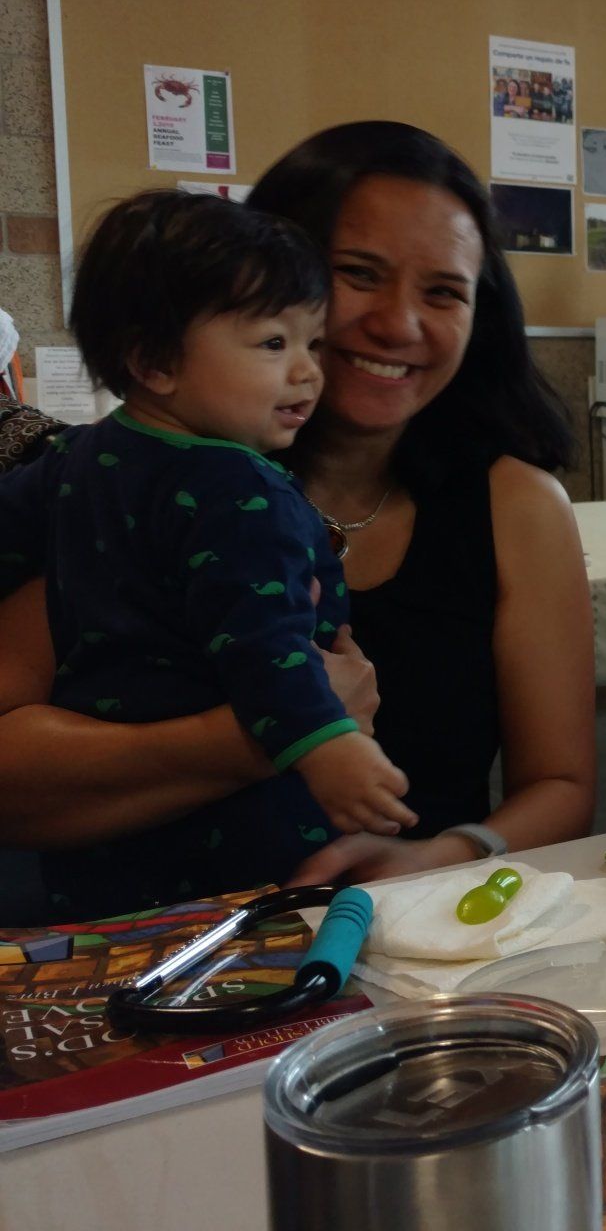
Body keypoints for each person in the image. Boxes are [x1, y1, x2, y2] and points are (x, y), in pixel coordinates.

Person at [0, 122, 596, 909]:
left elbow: (560, 784)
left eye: (444, 291)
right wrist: (287, 730)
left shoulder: (515, 504)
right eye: (358, 274)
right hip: (150, 944)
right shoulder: (132, 483)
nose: (400, 323)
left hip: (418, 940)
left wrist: (446, 857)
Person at [0, 191, 414, 916]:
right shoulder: (240, 487)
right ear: (154, 362)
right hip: (243, 844)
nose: (309, 372)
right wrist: (329, 744)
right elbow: (268, 643)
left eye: (311, 343)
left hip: (97, 847)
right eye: (272, 345)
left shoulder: (74, 454)